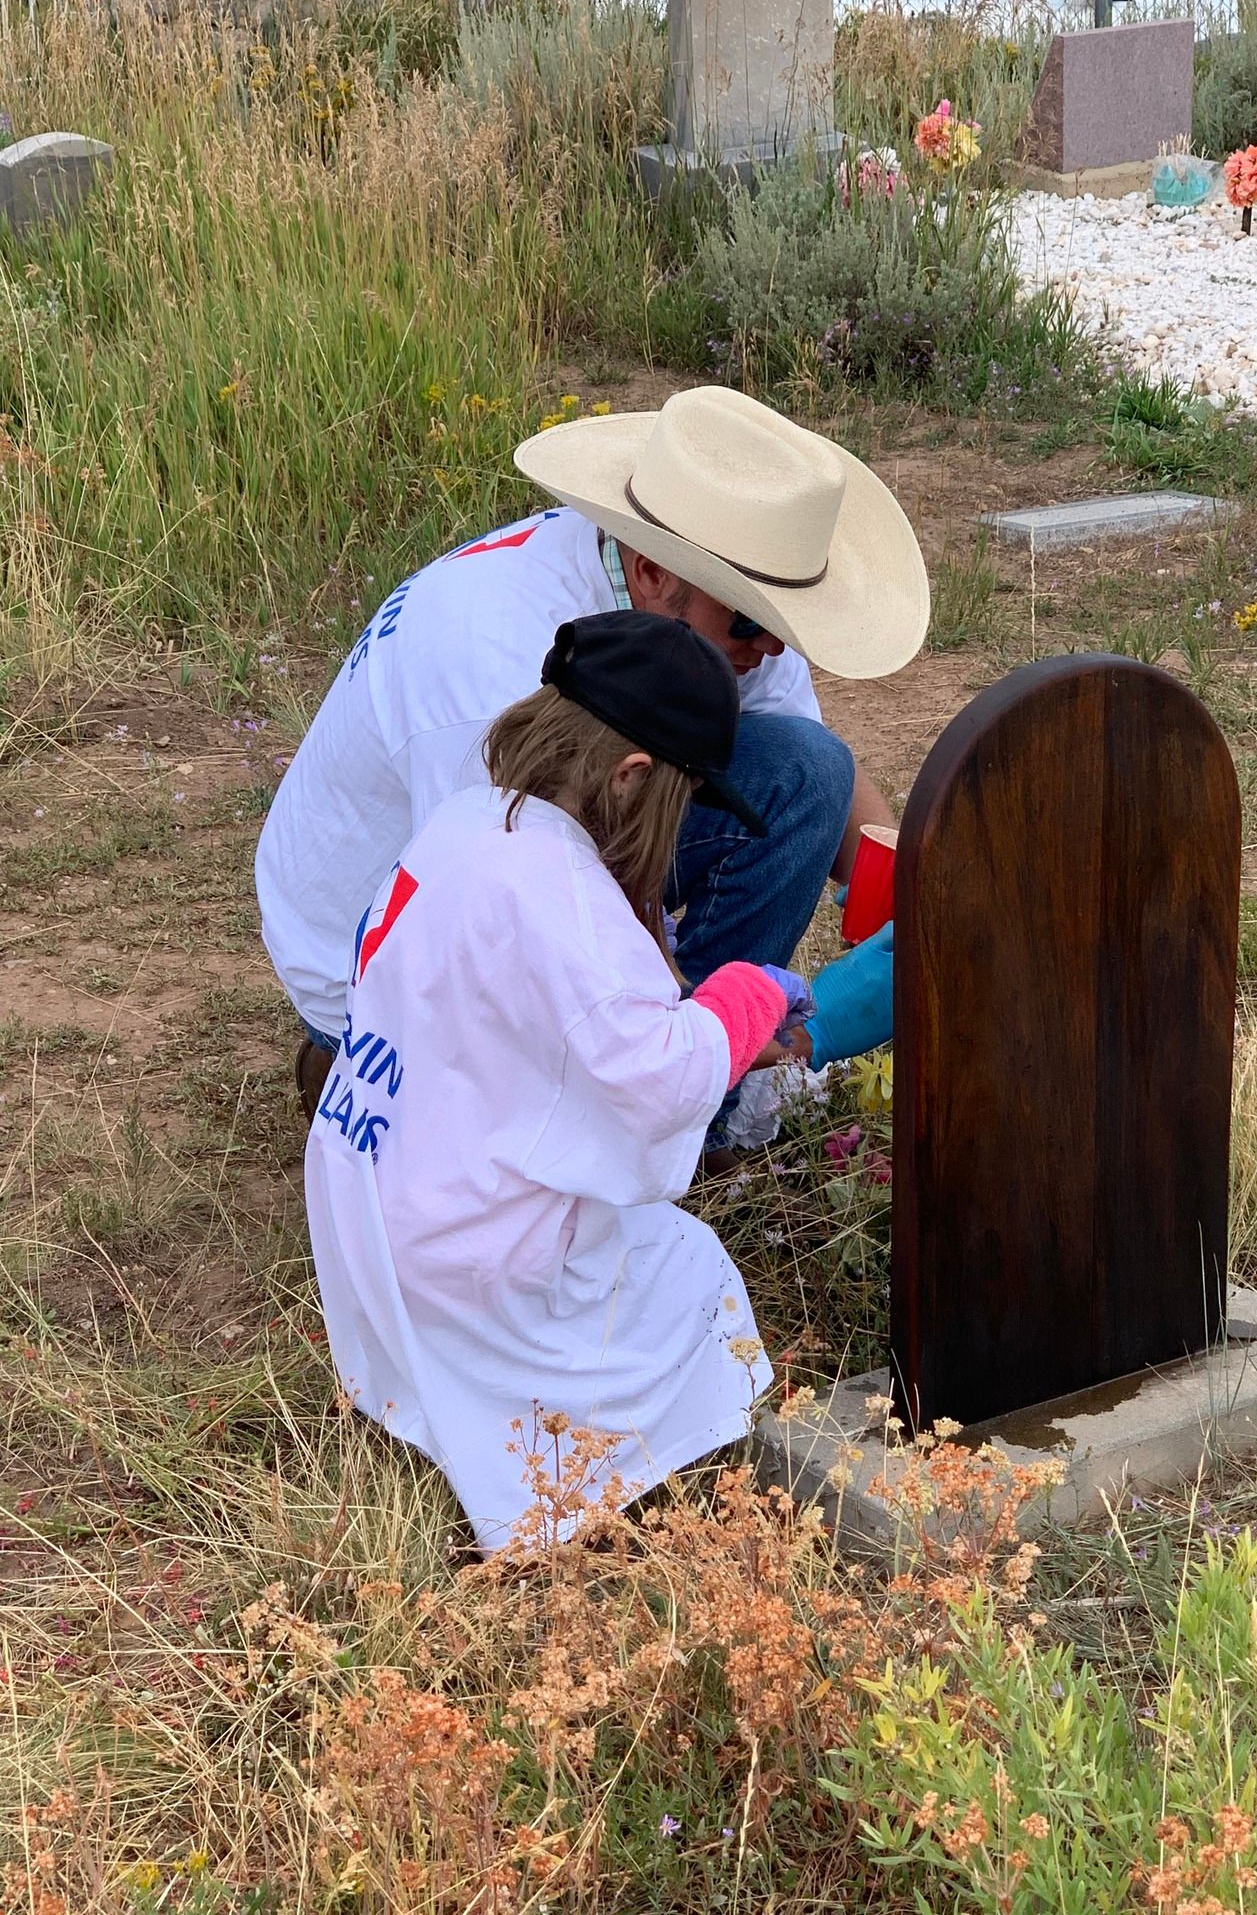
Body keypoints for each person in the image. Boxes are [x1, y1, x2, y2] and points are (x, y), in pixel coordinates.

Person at [255, 385, 929, 1115]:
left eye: (782, 628)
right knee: (570, 1100)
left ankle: (695, 1088)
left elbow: (814, 779)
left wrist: (914, 902)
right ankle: (650, 1102)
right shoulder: (492, 671)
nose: (768, 648)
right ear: (651, 572)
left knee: (807, 771)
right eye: (750, 626)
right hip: (384, 950)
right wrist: (789, 1031)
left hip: (528, 857)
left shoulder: (720, 595)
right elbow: (505, 932)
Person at [305, 613, 812, 1551]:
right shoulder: (561, 892)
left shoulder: (464, 825)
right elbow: (656, 1083)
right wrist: (744, 1002)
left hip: (365, 1203)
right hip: (455, 1256)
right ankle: (582, 1511)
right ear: (631, 779)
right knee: (692, 1277)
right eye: (686, 795)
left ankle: (424, 1431)